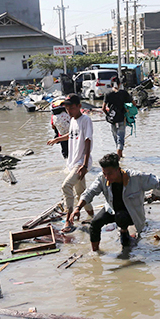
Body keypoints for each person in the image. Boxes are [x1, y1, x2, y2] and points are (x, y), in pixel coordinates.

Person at [69, 153, 160, 251]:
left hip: (131, 214)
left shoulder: (137, 178)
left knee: (121, 220)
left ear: (118, 169)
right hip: (111, 209)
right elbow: (89, 192)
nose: (106, 177)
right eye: (104, 173)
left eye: (109, 173)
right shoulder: (103, 178)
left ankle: (124, 232)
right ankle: (96, 253)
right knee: (95, 224)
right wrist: (78, 208)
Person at [47, 94, 95, 231]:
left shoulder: (86, 120)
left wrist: (85, 165)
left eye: (72, 108)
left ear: (79, 106)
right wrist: (57, 139)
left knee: (66, 186)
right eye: (67, 109)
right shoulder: (73, 120)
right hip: (73, 161)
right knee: (81, 193)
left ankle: (69, 219)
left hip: (81, 162)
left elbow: (87, 141)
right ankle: (92, 216)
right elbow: (72, 135)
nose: (69, 111)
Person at [103, 78, 134, 158]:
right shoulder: (124, 93)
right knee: (121, 137)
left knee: (115, 136)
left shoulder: (108, 94)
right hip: (121, 118)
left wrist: (108, 115)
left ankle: (119, 154)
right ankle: (119, 155)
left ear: (111, 84)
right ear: (119, 84)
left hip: (112, 119)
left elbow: (103, 108)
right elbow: (133, 103)